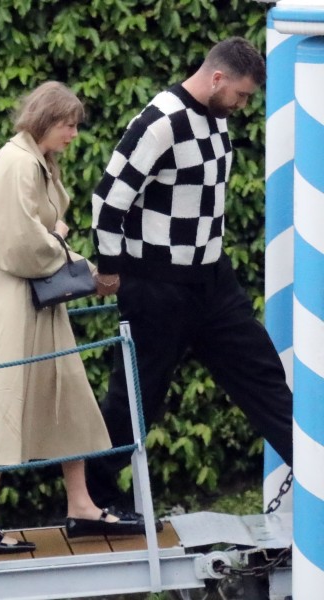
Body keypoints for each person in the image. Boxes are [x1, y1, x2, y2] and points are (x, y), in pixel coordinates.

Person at [87, 37, 293, 509]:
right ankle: (93, 502)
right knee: (134, 401)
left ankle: (315, 469)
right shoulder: (161, 120)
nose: (242, 105)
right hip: (155, 286)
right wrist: (111, 270)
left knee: (262, 374)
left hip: (211, 282)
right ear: (216, 78)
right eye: (240, 95)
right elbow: (107, 198)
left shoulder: (215, 120)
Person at [0, 81, 146, 557]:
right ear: (45, 120)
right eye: (68, 124)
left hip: (34, 298)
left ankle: (81, 504)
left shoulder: (38, 162)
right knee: (4, 399)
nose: (74, 134)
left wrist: (64, 249)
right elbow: (20, 243)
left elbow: (36, 237)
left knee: (69, 393)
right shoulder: (18, 162)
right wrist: (71, 254)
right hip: (11, 299)